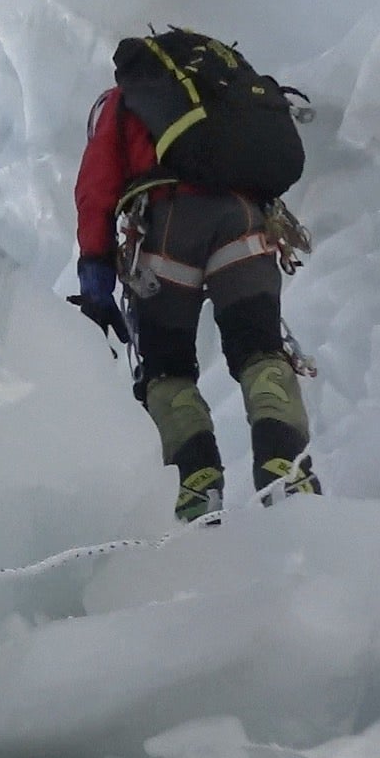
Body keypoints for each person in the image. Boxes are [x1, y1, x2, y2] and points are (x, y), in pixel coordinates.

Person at [69, 29, 321, 525]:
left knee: (168, 369)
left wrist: (95, 275)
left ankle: (196, 480)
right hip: (245, 220)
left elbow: (96, 189)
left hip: (166, 228)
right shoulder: (222, 98)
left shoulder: (123, 103)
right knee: (260, 349)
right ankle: (285, 465)